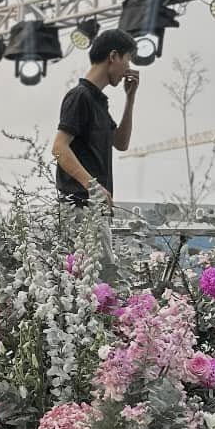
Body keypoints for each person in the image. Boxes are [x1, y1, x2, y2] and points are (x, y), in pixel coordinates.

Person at [51, 27, 140, 281]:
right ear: (113, 56)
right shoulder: (80, 97)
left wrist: (130, 99)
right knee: (103, 283)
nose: (128, 68)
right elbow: (59, 148)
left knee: (98, 283)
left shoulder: (98, 102)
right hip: (80, 208)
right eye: (127, 60)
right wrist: (93, 186)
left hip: (93, 209)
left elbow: (121, 142)